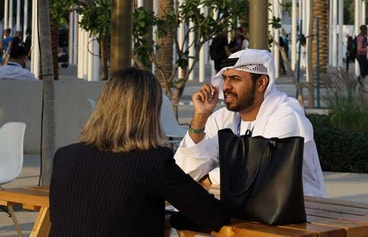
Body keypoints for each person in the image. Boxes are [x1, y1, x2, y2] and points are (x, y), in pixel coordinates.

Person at [51, 67, 228, 236]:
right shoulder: (154, 162)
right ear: (151, 113)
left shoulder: (64, 156)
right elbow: (213, 215)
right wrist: (170, 220)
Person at [175, 49, 326, 198]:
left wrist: (208, 179)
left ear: (261, 83)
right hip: (244, 203)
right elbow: (181, 172)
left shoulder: (286, 115)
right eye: (225, 78)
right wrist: (200, 117)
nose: (226, 86)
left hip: (302, 208)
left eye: (235, 79)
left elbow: (259, 174)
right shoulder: (223, 118)